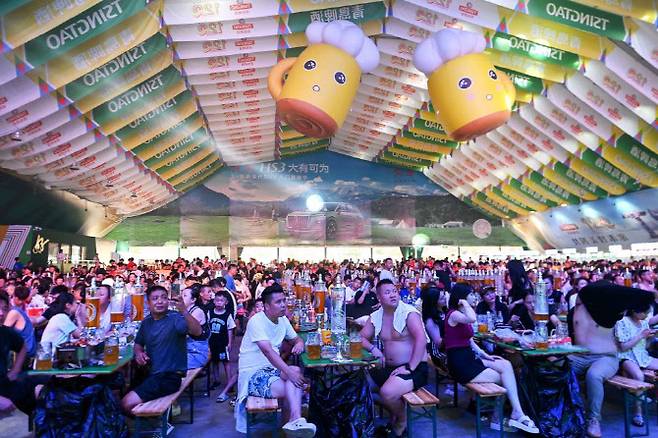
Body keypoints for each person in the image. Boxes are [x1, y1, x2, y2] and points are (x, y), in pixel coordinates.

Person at [444, 283, 539, 434]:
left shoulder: (460, 314)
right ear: (462, 297)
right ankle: (499, 417)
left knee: (506, 365)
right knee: (506, 379)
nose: (474, 297)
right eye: (471, 294)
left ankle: (517, 412)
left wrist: (483, 354)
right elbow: (472, 319)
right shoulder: (454, 314)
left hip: (470, 358)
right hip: (460, 364)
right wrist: (464, 303)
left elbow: (468, 339)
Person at [569, 281, 653, 438]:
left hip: (605, 357)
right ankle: (558, 413)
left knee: (594, 375)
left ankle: (593, 419)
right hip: (579, 355)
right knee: (553, 367)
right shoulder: (578, 305)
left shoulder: (609, 310)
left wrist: (650, 295)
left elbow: (626, 296)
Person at [235, 283, 315, 437]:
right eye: (278, 302)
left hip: (272, 371)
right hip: (253, 373)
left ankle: (293, 422)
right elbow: (268, 351)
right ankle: (294, 421)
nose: (284, 305)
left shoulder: (283, 320)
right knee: (294, 385)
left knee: (296, 372)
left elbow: (297, 339)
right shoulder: (256, 321)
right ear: (266, 306)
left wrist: (298, 343)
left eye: (284, 300)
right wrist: (288, 373)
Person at [359, 279, 428, 438]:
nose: (392, 295)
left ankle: (401, 421)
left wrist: (410, 366)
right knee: (360, 385)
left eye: (394, 291)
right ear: (379, 297)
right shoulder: (376, 316)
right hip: (387, 367)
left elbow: (421, 340)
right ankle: (394, 412)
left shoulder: (409, 313)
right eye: (387, 292)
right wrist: (373, 348)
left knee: (387, 393)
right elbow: (359, 338)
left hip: (414, 367)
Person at [121, 286, 202, 414]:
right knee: (119, 399)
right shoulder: (147, 322)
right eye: (155, 298)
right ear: (148, 302)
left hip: (169, 377)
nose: (160, 301)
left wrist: (184, 311)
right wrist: (139, 353)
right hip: (149, 373)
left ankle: (156, 428)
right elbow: (138, 343)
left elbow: (197, 331)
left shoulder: (175, 318)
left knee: (126, 403)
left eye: (164, 297)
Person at [615, 304, 658, 427]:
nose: (646, 316)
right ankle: (638, 413)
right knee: (638, 376)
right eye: (644, 313)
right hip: (626, 357)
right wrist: (641, 336)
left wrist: (651, 337)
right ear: (634, 310)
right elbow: (623, 347)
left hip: (642, 356)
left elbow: (645, 347)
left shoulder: (643, 323)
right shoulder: (622, 322)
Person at [0, 291, 32, 416]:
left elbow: (22, 346)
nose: (1, 313)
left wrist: (15, 370)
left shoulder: (5, 333)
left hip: (4, 383)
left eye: (4, 308)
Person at [208, 293, 237, 402]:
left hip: (223, 342)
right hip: (212, 342)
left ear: (226, 303)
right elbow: (207, 326)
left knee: (226, 361)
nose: (219, 302)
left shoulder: (227, 315)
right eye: (217, 300)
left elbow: (230, 329)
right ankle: (216, 380)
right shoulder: (210, 313)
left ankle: (230, 382)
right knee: (214, 361)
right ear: (214, 301)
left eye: (222, 301)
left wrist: (229, 343)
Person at [4, 285, 37, 361]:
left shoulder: (14, 312)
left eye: (22, 299)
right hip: (27, 350)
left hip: (24, 354)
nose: (20, 302)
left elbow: (3, 333)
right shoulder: (18, 310)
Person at [182, 285, 210, 369]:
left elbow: (184, 331)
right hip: (186, 350)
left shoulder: (197, 312)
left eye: (185, 295)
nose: (181, 298)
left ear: (193, 300)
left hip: (196, 353)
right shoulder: (186, 311)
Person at [421, 286, 448, 369]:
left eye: (444, 296)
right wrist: (454, 335)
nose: (445, 299)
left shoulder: (445, 312)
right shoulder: (430, 320)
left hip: (448, 348)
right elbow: (439, 343)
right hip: (439, 353)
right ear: (434, 302)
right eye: (442, 298)